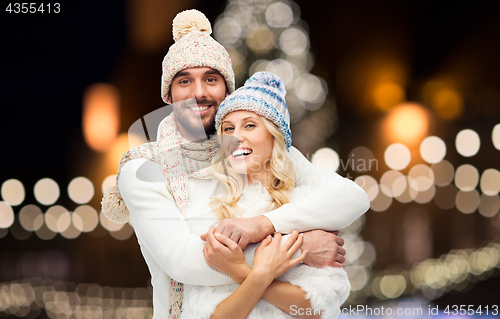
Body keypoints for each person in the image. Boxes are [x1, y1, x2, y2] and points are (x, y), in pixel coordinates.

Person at [101, 9, 369, 319]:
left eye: (211, 79)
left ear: (227, 90)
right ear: (169, 94)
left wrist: (262, 226)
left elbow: (352, 197)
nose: (198, 92)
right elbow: (185, 261)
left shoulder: (251, 150)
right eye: (184, 81)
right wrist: (302, 247)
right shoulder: (144, 169)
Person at [179, 72, 352, 319]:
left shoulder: (308, 207)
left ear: (275, 135)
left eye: (250, 125)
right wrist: (263, 271)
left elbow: (315, 310)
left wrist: (240, 271)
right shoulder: (210, 210)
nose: (236, 136)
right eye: (228, 128)